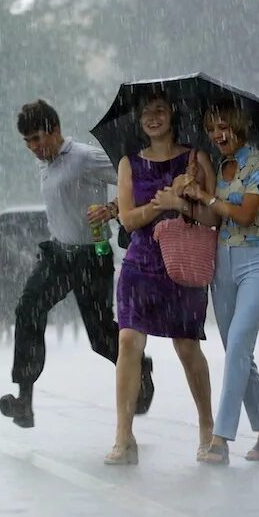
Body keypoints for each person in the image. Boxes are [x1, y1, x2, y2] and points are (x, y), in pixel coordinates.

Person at [0, 99, 153, 429]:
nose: (36, 148)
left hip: (91, 255)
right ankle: (24, 400)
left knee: (100, 337)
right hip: (57, 255)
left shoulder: (83, 157)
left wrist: (112, 209)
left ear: (55, 130)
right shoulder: (45, 164)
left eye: (39, 139)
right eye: (28, 143)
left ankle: (141, 367)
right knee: (28, 310)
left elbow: (136, 179)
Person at [105, 92, 216, 465]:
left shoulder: (195, 159)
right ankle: (123, 435)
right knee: (128, 341)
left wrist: (182, 203)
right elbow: (127, 219)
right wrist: (158, 203)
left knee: (187, 347)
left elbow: (213, 218)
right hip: (140, 264)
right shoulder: (129, 164)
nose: (153, 118)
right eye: (146, 113)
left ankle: (207, 427)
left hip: (181, 263)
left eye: (160, 111)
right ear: (138, 121)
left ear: (172, 114)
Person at [183, 103, 259, 464]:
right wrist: (191, 190)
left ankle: (221, 437)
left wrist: (209, 197)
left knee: (239, 342)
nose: (217, 135)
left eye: (223, 127)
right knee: (237, 351)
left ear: (239, 127)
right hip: (222, 265)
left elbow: (244, 215)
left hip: (258, 261)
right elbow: (211, 217)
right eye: (211, 129)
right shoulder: (215, 167)